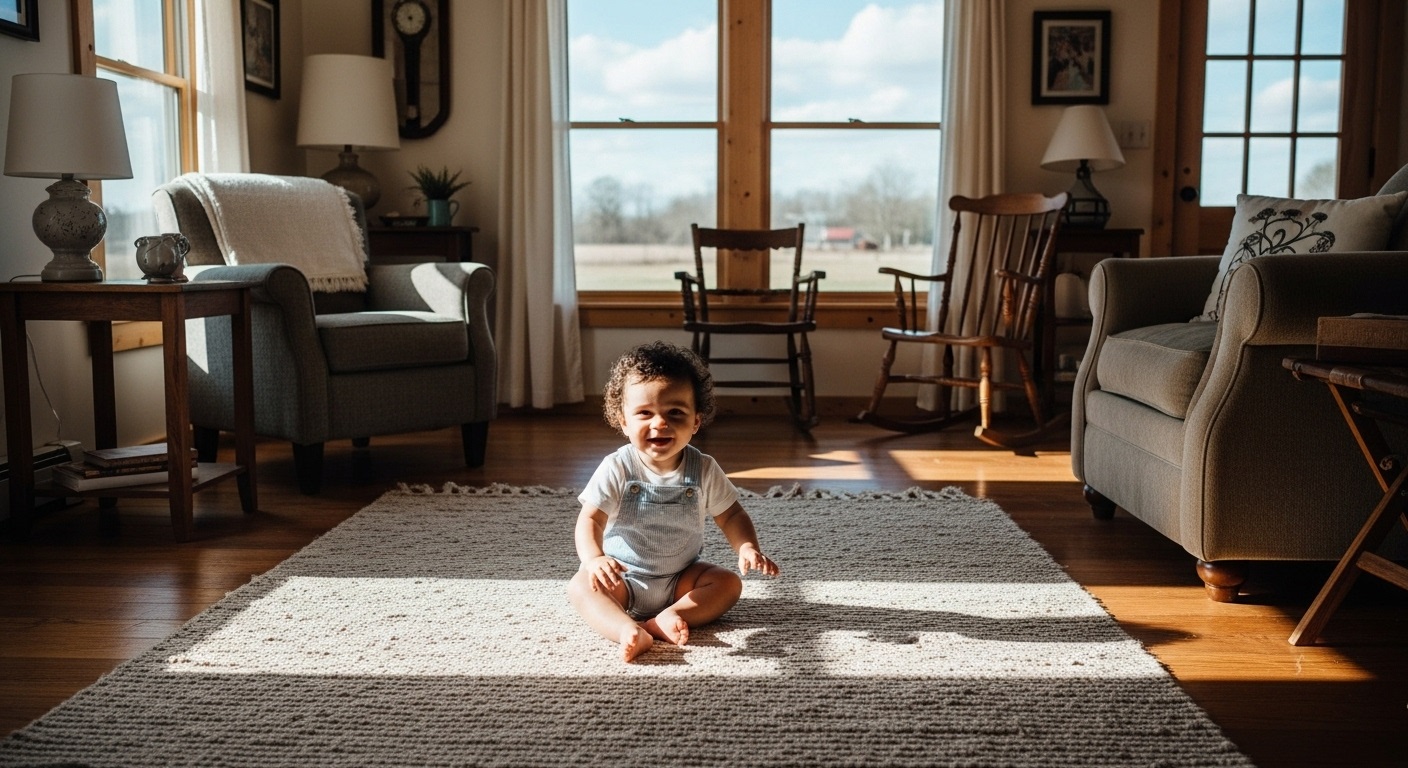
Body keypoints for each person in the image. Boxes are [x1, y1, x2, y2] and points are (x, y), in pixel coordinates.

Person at [567, 341, 780, 662]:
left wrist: (747, 546)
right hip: (623, 577)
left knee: (727, 584)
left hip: (682, 577)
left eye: (675, 413)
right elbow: (590, 519)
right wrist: (595, 558)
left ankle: (666, 618)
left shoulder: (704, 468)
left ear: (696, 421)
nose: (659, 423)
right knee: (581, 586)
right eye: (644, 413)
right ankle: (627, 630)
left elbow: (731, 514)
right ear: (623, 421)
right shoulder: (617, 467)